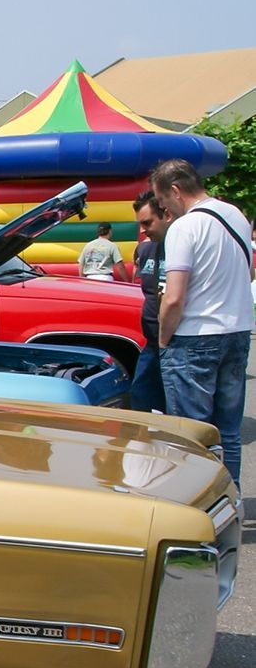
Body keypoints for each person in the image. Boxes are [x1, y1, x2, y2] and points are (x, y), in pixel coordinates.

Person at [151, 158, 255, 485]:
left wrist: (164, 338)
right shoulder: (235, 215)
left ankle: (199, 506)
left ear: (176, 191)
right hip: (236, 330)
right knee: (228, 432)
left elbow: (175, 296)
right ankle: (231, 498)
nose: (166, 209)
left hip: (194, 337)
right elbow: (248, 271)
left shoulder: (184, 227)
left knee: (192, 435)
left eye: (164, 201)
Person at [129, 192, 172, 412]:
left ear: (166, 215)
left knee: (176, 408)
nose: (143, 230)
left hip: (176, 344)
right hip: (152, 342)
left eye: (147, 222)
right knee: (141, 398)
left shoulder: (181, 247)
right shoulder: (146, 249)